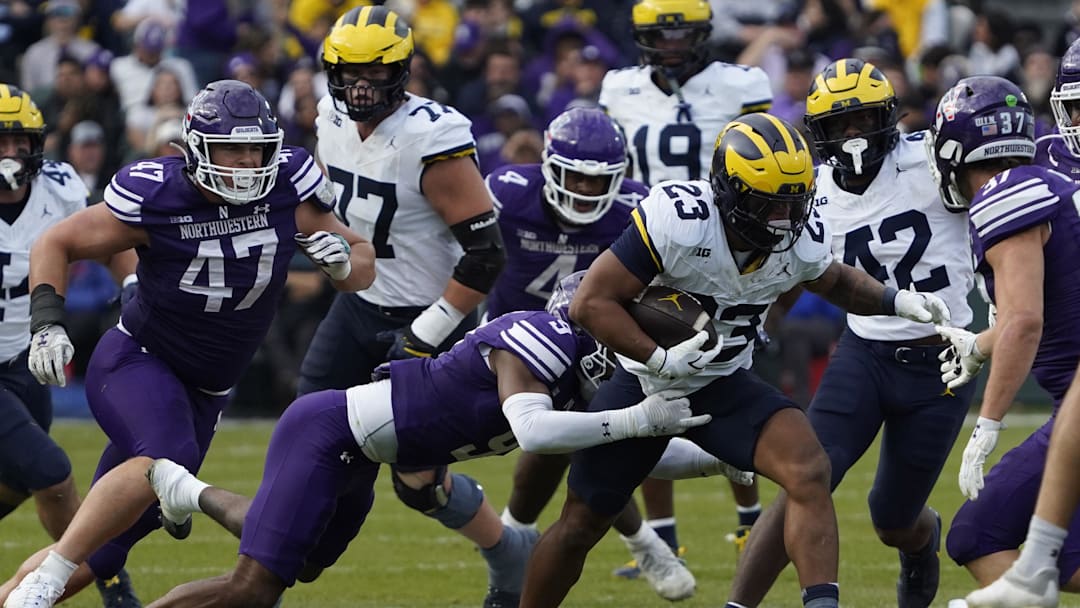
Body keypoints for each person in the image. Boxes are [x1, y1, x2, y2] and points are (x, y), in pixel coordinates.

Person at [518, 112, 954, 608]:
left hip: (724, 381)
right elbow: (590, 303)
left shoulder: (800, 232)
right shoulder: (677, 220)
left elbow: (831, 279)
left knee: (809, 469)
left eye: (794, 201)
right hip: (645, 383)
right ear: (728, 190)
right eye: (769, 203)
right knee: (581, 523)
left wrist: (896, 301)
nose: (784, 218)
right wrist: (660, 358)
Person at [137, 272, 742, 608]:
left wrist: (722, 460)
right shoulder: (541, 337)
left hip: (365, 455)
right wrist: (639, 420)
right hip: (328, 432)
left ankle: (185, 490)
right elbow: (534, 431)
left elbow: (641, 451)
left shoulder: (577, 383)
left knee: (301, 558)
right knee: (254, 589)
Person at [0, 79, 376, 608]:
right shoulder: (158, 193)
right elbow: (56, 241)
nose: (246, 163)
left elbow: (362, 266)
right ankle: (48, 578)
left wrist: (342, 261)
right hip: (138, 361)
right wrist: (47, 321)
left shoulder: (288, 187)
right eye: (232, 149)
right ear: (198, 148)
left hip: (207, 394)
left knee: (102, 554)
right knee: (165, 457)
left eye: (256, 149)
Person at [725, 59, 976, 608]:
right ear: (820, 131)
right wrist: (751, 330)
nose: (854, 135)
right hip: (864, 352)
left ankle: (921, 539)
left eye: (864, 120)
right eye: (841, 125)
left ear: (888, 118)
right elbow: (789, 273)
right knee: (804, 477)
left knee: (893, 520)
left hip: (944, 360)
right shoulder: (807, 190)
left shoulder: (934, 159)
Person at [486, 107, 696, 600]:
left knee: (575, 438)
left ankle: (513, 535)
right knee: (561, 439)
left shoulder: (637, 207)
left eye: (594, 181)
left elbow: (668, 282)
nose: (583, 190)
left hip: (593, 343)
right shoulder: (508, 192)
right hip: (513, 339)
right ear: (549, 167)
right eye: (573, 178)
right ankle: (642, 541)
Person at [597, 0, 775, 568]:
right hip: (650, 241)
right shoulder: (618, 88)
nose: (671, 44)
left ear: (703, 35)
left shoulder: (740, 83)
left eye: (682, 34)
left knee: (730, 367)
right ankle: (664, 531)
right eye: (659, 34)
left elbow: (764, 148)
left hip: (721, 236)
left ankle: (749, 518)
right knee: (649, 377)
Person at [923, 79, 1080, 607]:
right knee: (1061, 553)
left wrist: (985, 427)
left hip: (1076, 405)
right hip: (1071, 402)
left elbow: (1026, 321)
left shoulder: (1004, 194)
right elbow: (1043, 307)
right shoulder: (1048, 181)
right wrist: (981, 345)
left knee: (981, 533)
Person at [298, 5, 504, 395]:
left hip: (429, 312)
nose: (361, 85)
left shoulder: (432, 138)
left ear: (401, 71)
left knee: (414, 451)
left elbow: (487, 255)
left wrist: (425, 334)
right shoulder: (330, 117)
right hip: (358, 303)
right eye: (350, 72)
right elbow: (327, 198)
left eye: (375, 73)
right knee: (309, 426)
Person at [0, 84, 140, 607]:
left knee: (28, 482)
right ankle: (108, 579)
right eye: (0, 143)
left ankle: (94, 568)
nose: (11, 155)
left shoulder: (58, 186)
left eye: (20, 143)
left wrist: (132, 287)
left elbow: (112, 235)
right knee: (52, 472)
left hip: (23, 355)